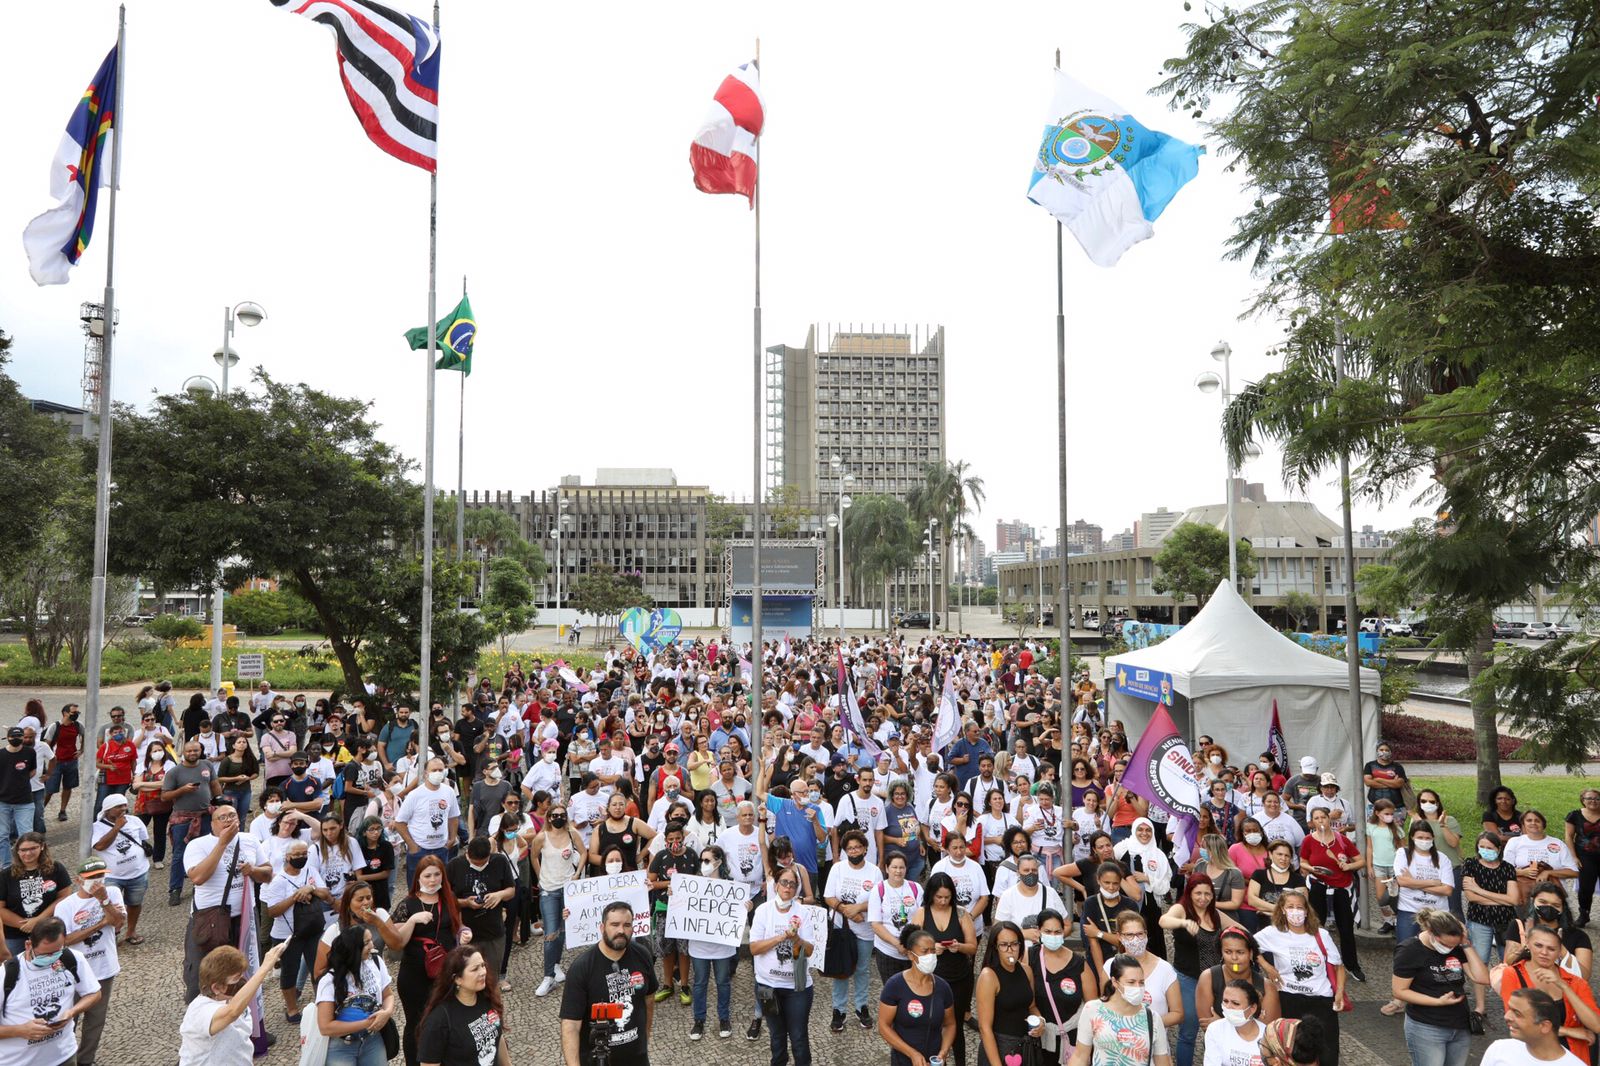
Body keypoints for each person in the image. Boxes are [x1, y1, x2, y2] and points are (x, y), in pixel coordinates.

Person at [380, 855, 471, 1066]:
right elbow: (396, 941)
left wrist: (464, 933)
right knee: (416, 1022)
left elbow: (459, 926)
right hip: (415, 974)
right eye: (427, 875)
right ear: (418, 877)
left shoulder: (449, 899)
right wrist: (413, 920)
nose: (432, 880)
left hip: (445, 971)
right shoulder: (408, 904)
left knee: (445, 1018)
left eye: (437, 874)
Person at [181, 800, 271, 1002]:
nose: (228, 819)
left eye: (232, 815)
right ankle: (203, 1022)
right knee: (202, 973)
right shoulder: (198, 845)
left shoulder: (250, 840)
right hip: (210, 918)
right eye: (222, 817)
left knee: (243, 972)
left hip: (245, 918)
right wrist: (222, 843)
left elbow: (268, 874)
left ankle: (247, 1024)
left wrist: (254, 871)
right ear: (212, 824)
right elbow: (198, 877)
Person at [559, 901, 657, 1066]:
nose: (621, 930)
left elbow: (649, 999)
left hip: (637, 1059)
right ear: (602, 928)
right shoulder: (582, 967)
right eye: (615, 924)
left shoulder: (643, 955)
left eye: (627, 925)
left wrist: (644, 1042)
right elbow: (571, 1026)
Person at [1255, 890, 1345, 1066]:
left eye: (1299, 907)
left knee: (1327, 1054)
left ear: (1307, 910)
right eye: (1290, 907)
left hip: (1321, 1001)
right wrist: (1267, 966)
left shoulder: (1321, 935)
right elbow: (1247, 943)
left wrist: (1340, 991)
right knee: (1291, 1051)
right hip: (1289, 998)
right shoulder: (1272, 933)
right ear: (1282, 909)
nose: (1295, 911)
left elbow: (1338, 966)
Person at [1160, 875, 1242, 1066]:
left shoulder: (1215, 914)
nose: (1203, 898)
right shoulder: (1181, 909)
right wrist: (1183, 923)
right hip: (1187, 980)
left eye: (1207, 894)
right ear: (1189, 893)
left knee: (1216, 1029)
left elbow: (1239, 929)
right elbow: (1164, 921)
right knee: (1188, 1032)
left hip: (1215, 980)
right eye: (1198, 893)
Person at [1392, 907, 1490, 1066]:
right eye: (1446, 944)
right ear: (1431, 933)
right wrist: (1437, 1002)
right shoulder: (1409, 950)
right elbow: (1399, 991)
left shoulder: (1458, 946)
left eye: (1454, 945)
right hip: (1426, 1027)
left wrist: (1466, 945)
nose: (1450, 949)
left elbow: (1482, 978)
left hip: (1460, 1025)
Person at [1498, 923, 1600, 1065]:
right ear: (1527, 943)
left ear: (1560, 952)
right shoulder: (1512, 974)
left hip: (1572, 1055)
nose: (1544, 952)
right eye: (1538, 945)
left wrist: (1564, 986)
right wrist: (1570, 1031)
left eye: (1551, 949)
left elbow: (1596, 1025)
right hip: (1530, 1055)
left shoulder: (1575, 982)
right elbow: (1517, 1022)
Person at [54, 859, 124, 1066]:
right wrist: (101, 923)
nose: (97, 881)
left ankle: (86, 1061)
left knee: (96, 1021)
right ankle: (66, 1059)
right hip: (73, 972)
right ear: (78, 880)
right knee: (67, 1019)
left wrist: (104, 902)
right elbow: (64, 940)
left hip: (104, 969)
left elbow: (119, 922)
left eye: (100, 876)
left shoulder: (112, 893)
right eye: (91, 878)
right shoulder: (65, 906)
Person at [179, 942, 290, 1066]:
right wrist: (264, 968)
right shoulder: (200, 1011)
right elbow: (232, 1013)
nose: (243, 983)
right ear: (216, 988)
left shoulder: (233, 1000)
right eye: (236, 979)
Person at [261, 837, 333, 1021]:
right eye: (297, 854)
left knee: (319, 968)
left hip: (312, 929)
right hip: (288, 933)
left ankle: (322, 1004)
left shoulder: (311, 870)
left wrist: (310, 888)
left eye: (304, 854)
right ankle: (291, 1009)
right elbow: (272, 911)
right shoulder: (278, 880)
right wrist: (294, 897)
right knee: (289, 971)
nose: (301, 857)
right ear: (287, 857)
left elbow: (325, 894)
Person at [750, 869, 817, 1066]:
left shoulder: (803, 912)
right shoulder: (763, 910)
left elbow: (810, 950)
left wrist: (796, 938)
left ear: (796, 889)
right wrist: (780, 937)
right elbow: (754, 948)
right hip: (767, 987)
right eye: (784, 882)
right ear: (776, 884)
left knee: (798, 1038)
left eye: (792, 884)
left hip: (797, 987)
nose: (788, 887)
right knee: (777, 1037)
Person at [1067, 951, 1173, 1066]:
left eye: (1141, 982)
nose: (1138, 987)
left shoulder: (1153, 1018)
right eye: (1131, 982)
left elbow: (1163, 1062)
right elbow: (1080, 1056)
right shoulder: (1092, 1010)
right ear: (1114, 982)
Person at [1462, 830, 1520, 1031]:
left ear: (1498, 848)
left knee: (1510, 964)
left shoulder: (1507, 868)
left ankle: (1511, 1006)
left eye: (1490, 848)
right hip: (1479, 921)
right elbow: (1471, 898)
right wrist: (1498, 898)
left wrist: (1480, 890)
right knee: (1480, 962)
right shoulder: (1470, 864)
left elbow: (1514, 899)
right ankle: (1480, 1007)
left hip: (1505, 923)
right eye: (1482, 847)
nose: (1485, 851)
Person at [826, 828, 883, 1032]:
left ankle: (862, 1007)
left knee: (862, 969)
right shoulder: (838, 869)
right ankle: (838, 1010)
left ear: (865, 848)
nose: (854, 851)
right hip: (842, 931)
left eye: (858, 847)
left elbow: (878, 899)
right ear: (844, 851)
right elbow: (829, 897)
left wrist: (859, 908)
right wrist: (847, 911)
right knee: (841, 971)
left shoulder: (875, 872)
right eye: (850, 848)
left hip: (865, 931)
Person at [1299, 805, 1364, 982]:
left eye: (1323, 817)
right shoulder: (1308, 841)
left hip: (1341, 887)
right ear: (1312, 822)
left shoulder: (1342, 840)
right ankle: (1317, 964)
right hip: (1318, 886)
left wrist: (1349, 866)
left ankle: (1352, 965)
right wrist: (1311, 868)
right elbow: (1302, 861)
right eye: (1317, 818)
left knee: (1346, 928)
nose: (1321, 821)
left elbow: (1360, 861)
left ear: (1329, 819)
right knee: (1316, 927)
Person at [417, 945, 511, 1066]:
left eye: (483, 965)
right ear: (457, 979)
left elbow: (498, 1038)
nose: (483, 972)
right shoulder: (439, 1020)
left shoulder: (487, 998)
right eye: (475, 969)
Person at [878, 925, 956, 1066]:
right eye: (924, 951)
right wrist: (912, 1053)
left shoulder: (943, 987)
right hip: (903, 1061)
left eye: (933, 951)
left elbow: (950, 1024)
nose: (930, 956)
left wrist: (944, 1051)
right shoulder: (895, 985)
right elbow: (884, 1026)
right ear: (910, 955)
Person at [446, 837, 516, 992]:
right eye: (475, 863)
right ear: (467, 854)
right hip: (466, 933)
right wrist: (465, 902)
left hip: (494, 931)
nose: (479, 866)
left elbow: (511, 890)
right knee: (468, 978)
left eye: (483, 863)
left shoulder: (500, 862)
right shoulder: (454, 866)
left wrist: (499, 895)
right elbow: (446, 899)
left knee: (491, 978)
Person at [529, 800, 583, 997]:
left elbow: (583, 853)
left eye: (562, 815)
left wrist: (577, 875)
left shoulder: (572, 834)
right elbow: (533, 856)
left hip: (568, 889)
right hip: (549, 891)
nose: (558, 818)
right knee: (550, 933)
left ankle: (557, 964)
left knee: (562, 930)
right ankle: (548, 976)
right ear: (549, 818)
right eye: (555, 815)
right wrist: (540, 875)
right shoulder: (541, 837)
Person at [684, 843, 737, 1040]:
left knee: (723, 982)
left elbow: (737, 910)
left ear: (718, 862)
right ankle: (699, 1020)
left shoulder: (731, 886)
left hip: (722, 947)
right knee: (700, 983)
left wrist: (745, 907)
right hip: (699, 947)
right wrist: (676, 896)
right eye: (701, 860)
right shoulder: (692, 884)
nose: (703, 864)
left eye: (707, 860)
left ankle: (724, 1018)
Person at [1029, 908, 1096, 1060]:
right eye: (1048, 931)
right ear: (1039, 931)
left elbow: (1092, 1006)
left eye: (1057, 932)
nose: (1053, 936)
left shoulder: (1079, 964)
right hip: (1039, 1040)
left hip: (1075, 1039)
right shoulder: (1030, 958)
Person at [975, 920, 1044, 1066]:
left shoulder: (1027, 970)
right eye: (1004, 945)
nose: (1010, 949)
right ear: (995, 947)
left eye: (1014, 944)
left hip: (1025, 1046)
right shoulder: (989, 976)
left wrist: (1040, 1021)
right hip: (999, 1046)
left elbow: (1031, 1006)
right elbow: (984, 1027)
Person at [163, 739, 222, 907]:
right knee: (179, 854)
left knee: (207, 851)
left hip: (205, 816)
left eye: (196, 750)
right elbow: (164, 795)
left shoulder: (206, 765)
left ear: (200, 751)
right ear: (184, 753)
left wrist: (220, 803)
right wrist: (182, 790)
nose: (192, 753)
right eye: (189, 751)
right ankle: (175, 889)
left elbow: (214, 784)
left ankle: (201, 885)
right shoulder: (174, 772)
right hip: (183, 818)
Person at [645, 821, 698, 1007]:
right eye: (671, 839)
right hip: (664, 909)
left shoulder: (692, 855)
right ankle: (667, 984)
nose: (675, 842)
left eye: (678, 838)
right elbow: (650, 882)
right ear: (665, 840)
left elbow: (697, 880)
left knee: (684, 950)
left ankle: (684, 985)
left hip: (685, 911)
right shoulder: (660, 856)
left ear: (683, 838)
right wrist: (671, 884)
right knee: (666, 949)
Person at [89, 792, 150, 945]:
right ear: (107, 810)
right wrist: (117, 828)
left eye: (124, 805)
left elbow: (143, 839)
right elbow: (100, 846)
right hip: (112, 876)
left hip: (138, 872)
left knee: (135, 903)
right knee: (111, 906)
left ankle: (131, 931)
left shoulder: (135, 821)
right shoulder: (96, 827)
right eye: (118, 807)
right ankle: (112, 934)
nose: (123, 809)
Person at [0, 832, 71, 960]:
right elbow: (1, 908)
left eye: (33, 848)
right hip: (15, 934)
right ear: (17, 851)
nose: (27, 853)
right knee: (16, 971)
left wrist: (38, 921)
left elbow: (65, 897)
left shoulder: (56, 868)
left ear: (42, 847)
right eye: (23, 850)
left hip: (50, 930)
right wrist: (24, 925)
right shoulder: (5, 875)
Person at [1195, 926, 1280, 1026]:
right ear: (1221, 953)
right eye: (1228, 952)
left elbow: (1269, 1031)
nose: (1234, 958)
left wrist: (1220, 1024)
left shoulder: (1266, 987)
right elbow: (1207, 1026)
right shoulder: (1208, 978)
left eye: (1240, 952)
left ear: (1251, 953)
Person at [1481, 987, 1587, 1066]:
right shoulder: (1499, 1049)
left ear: (1545, 1026)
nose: (1506, 1016)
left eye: (1517, 1014)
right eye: (1509, 1009)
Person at [396, 758, 461, 883]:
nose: (437, 773)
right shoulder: (415, 795)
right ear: (426, 773)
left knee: (440, 886)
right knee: (416, 888)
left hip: (441, 849)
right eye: (434, 770)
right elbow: (400, 823)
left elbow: (453, 817)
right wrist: (412, 845)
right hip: (419, 850)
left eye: (440, 770)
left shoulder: (449, 792)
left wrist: (452, 839)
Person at [1113, 818, 1171, 956]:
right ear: (1134, 830)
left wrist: (1147, 878)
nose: (1144, 833)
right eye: (1140, 829)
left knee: (1152, 938)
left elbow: (1166, 885)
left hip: (1150, 904)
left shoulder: (1159, 855)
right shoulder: (1122, 848)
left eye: (1148, 830)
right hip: (1125, 900)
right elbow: (1108, 864)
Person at [1396, 821, 1455, 944]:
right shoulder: (1403, 854)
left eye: (1428, 838)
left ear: (1433, 838)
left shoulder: (1442, 858)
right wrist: (1434, 882)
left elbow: (1447, 890)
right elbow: (1402, 881)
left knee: (1438, 948)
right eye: (1420, 837)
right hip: (1409, 910)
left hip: (1437, 912)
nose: (1424, 841)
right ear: (1412, 837)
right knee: (1406, 949)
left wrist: (1413, 882)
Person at [869, 851, 924, 982]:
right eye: (894, 867)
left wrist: (911, 944)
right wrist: (898, 944)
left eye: (901, 867)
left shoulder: (916, 888)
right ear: (887, 868)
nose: (898, 871)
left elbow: (923, 917)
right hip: (887, 951)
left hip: (913, 950)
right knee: (892, 991)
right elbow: (876, 924)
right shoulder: (878, 890)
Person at [1506, 810, 1580, 902]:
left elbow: (1574, 872)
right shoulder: (1514, 842)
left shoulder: (1558, 843)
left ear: (1543, 824)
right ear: (1523, 824)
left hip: (1553, 896)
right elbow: (1504, 870)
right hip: (1524, 893)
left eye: (1537, 820)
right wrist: (1523, 872)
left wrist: (1548, 873)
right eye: (1529, 820)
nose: (1533, 823)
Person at [993, 852, 1067, 937]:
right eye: (1026, 870)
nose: (1030, 873)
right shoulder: (1008, 896)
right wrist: (1022, 934)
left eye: (1034, 870)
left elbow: (1066, 925)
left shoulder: (1051, 893)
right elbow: (998, 929)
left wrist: (1052, 938)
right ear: (1018, 872)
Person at [1202, 980, 1266, 1066]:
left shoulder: (1268, 1035)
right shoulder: (1215, 1029)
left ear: (1252, 1008)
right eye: (1225, 1001)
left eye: (1236, 1003)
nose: (1228, 1007)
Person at [0, 727, 37, 870]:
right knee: (2, 836)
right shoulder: (1, 754)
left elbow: (32, 771)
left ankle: (26, 865)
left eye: (19, 737)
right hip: (2, 801)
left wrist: (19, 781)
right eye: (14, 737)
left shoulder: (29, 752)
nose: (17, 739)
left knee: (27, 836)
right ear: (8, 737)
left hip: (24, 801)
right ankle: (7, 866)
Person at [1367, 799, 1405, 934]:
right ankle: (1388, 920)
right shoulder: (1371, 827)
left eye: (1391, 813)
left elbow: (1402, 849)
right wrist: (1369, 866)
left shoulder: (1396, 829)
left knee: (1394, 895)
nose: (1390, 816)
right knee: (1380, 897)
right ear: (1377, 813)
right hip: (1379, 866)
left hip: (1394, 867)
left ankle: (1397, 920)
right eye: (1386, 813)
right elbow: (1369, 847)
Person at [1565, 788, 1600, 926]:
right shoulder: (1574, 815)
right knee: (1586, 888)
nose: (1593, 801)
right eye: (1589, 798)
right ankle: (1584, 914)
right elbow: (1568, 836)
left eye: (1597, 798)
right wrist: (1574, 857)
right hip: (1585, 856)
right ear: (1583, 800)